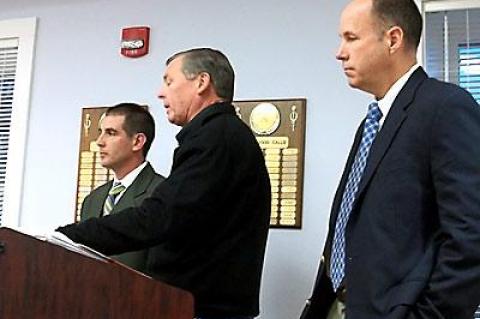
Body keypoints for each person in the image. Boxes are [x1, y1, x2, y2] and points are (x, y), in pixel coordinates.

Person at [57, 48, 271, 319]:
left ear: (201, 83)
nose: (160, 92)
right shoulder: (220, 135)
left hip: (203, 308)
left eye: (169, 81)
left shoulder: (216, 137)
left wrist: (68, 237)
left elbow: (160, 218)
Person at [300, 0, 480, 318]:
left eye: (351, 38)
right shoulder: (375, 121)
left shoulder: (445, 107)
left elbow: (471, 236)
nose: (339, 52)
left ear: (393, 39)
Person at [80, 102, 165, 272]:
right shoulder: (93, 200)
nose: (99, 142)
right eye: (100, 132)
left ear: (137, 141)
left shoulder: (162, 193)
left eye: (111, 133)